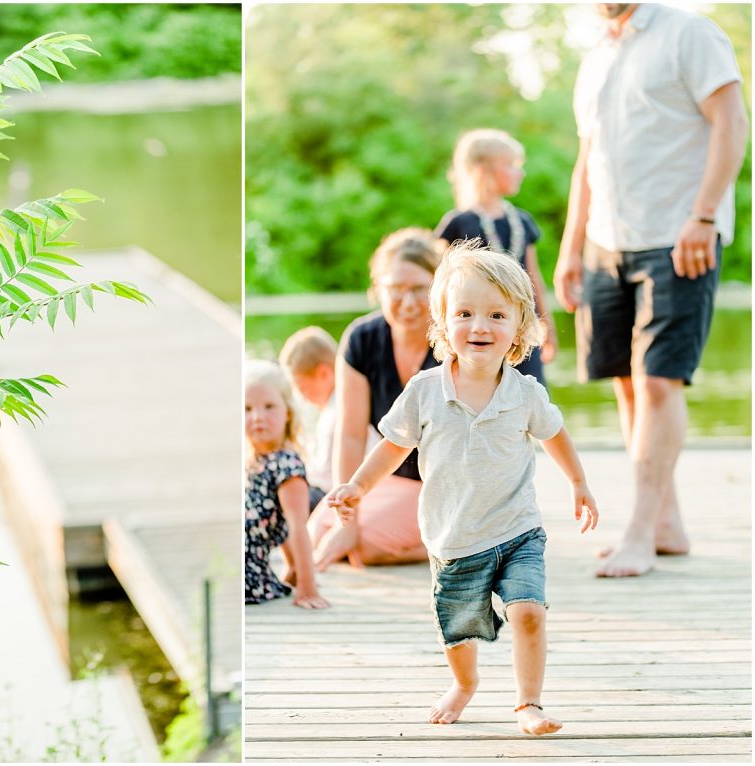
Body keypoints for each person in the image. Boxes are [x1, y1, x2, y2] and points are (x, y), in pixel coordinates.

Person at [327, 243, 599, 735]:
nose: (480, 326)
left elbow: (555, 435)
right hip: (453, 538)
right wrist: (357, 487)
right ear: (444, 322)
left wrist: (579, 484)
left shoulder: (525, 393)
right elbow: (392, 447)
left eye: (497, 315)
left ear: (520, 327)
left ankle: (528, 704)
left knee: (529, 612)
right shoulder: (426, 391)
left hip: (518, 530)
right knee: (458, 631)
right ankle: (464, 683)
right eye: (465, 313)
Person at [554, 3, 748, 577]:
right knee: (625, 382)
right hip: (606, 242)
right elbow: (589, 159)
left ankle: (638, 532)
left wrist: (705, 216)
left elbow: (732, 122)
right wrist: (571, 248)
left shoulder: (690, 33)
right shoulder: (596, 55)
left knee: (659, 381)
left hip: (677, 235)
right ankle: (667, 522)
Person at [308, 228, 441, 569]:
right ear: (377, 289)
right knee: (318, 531)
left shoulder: (453, 344)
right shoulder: (361, 339)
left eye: (418, 289)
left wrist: (353, 533)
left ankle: (460, 544)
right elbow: (350, 435)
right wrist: (346, 520)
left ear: (439, 289)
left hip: (445, 484)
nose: (408, 302)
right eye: (396, 289)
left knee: (365, 547)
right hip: (392, 478)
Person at [436, 128, 557, 385]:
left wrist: (548, 326)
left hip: (521, 327)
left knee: (530, 392)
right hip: (478, 333)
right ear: (483, 169)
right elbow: (443, 285)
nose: (520, 172)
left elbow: (533, 276)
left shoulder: (522, 221)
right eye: (511, 165)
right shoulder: (459, 223)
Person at [245, 359, 329, 609]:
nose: (258, 417)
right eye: (247, 409)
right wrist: (291, 568)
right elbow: (272, 517)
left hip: (250, 581)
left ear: (288, 412)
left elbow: (296, 527)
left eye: (269, 406)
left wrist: (306, 587)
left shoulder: (287, 465)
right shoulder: (254, 461)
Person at [278, 326, 341, 511]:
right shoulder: (334, 406)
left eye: (302, 388)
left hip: (328, 494)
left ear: (324, 374)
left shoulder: (336, 413)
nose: (302, 397)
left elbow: (323, 476)